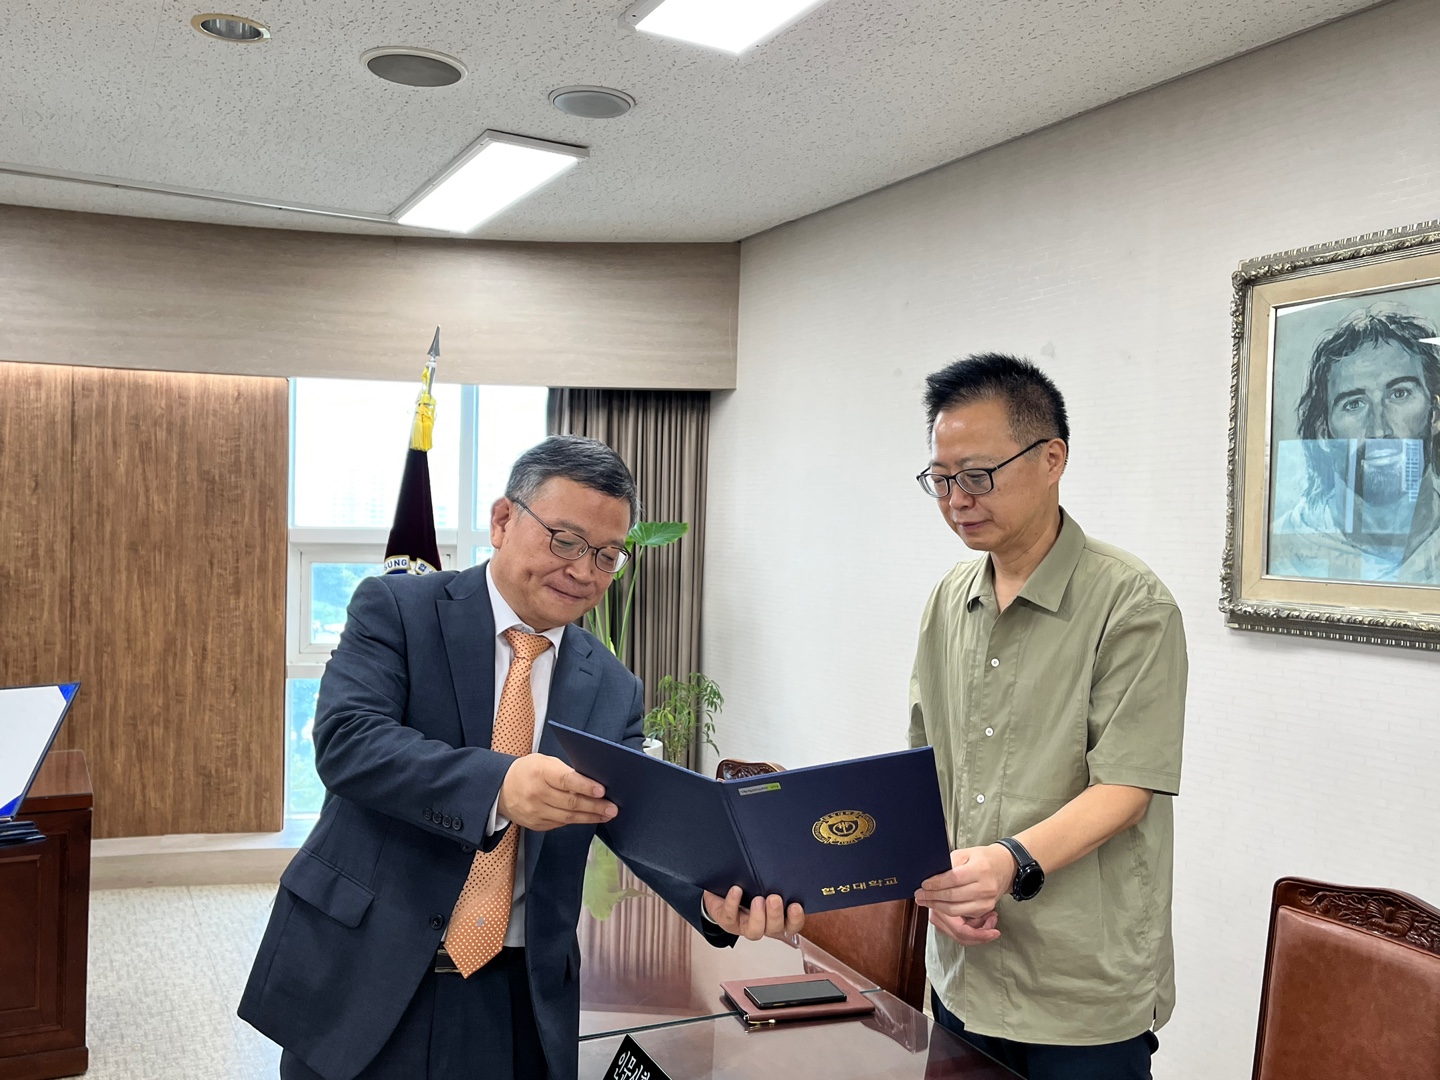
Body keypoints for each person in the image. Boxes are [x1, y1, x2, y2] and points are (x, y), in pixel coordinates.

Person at [240, 435, 803, 1080]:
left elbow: (637, 818)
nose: (585, 571)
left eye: (607, 554)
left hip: (517, 991)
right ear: (504, 520)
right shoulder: (400, 608)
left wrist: (713, 896)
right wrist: (499, 784)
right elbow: (348, 739)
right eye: (565, 540)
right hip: (366, 966)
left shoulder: (613, 686)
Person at [909, 354, 1187, 1080]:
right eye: (941, 480)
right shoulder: (949, 600)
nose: (957, 499)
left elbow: (1127, 789)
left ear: (1052, 457)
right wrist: (936, 886)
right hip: (965, 971)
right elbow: (924, 773)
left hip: (1079, 990)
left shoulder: (1132, 604)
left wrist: (1007, 862)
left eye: (977, 475)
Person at [1271, 305, 1440, 583]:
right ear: (1324, 434)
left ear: (1434, 415)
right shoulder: (1284, 548)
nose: (1378, 429)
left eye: (1399, 393)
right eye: (1354, 404)